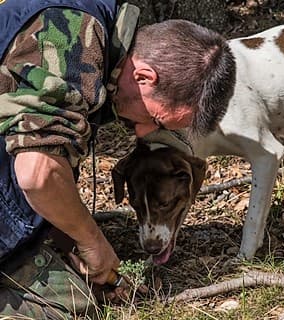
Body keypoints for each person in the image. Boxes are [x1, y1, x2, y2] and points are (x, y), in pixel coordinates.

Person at [0, 0, 236, 318]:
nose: (144, 132)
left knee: (80, 298)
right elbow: (38, 174)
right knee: (65, 310)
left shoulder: (99, 44)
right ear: (144, 78)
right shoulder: (71, 30)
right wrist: (91, 240)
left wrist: (69, 240)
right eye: (157, 120)